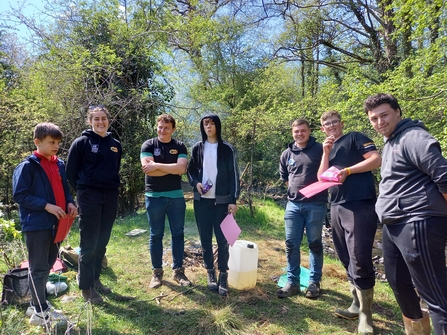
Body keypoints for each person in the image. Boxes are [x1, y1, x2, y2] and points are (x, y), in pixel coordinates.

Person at [365, 93, 447, 335]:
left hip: (418, 221)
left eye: (384, 115)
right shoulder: (391, 140)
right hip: (393, 224)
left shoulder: (413, 137)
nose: (379, 122)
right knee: (399, 283)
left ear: (398, 112)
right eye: (374, 118)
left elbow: (443, 176)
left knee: (438, 298)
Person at [317, 110, 381, 335]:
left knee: (360, 256)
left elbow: (376, 160)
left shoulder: (355, 137)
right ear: (322, 128)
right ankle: (355, 304)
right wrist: (325, 153)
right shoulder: (328, 147)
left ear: (341, 124)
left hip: (359, 204)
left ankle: (366, 316)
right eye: (327, 124)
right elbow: (321, 178)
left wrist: (348, 170)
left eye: (335, 122)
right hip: (336, 205)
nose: (331, 126)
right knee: (345, 255)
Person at [13, 122, 77, 326]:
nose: (56, 146)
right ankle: (40, 313)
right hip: (37, 224)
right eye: (51, 142)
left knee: (48, 265)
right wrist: (46, 205)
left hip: (57, 224)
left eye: (58, 142)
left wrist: (70, 202)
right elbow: (20, 195)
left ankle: (36, 304)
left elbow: (64, 188)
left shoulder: (59, 164)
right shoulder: (27, 166)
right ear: (37, 142)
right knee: (39, 268)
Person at [66, 105, 122, 304]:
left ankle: (95, 279)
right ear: (89, 121)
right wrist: (84, 190)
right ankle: (86, 288)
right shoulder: (82, 142)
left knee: (102, 242)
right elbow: (71, 172)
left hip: (111, 195)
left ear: (108, 120)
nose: (100, 122)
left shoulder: (115, 144)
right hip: (89, 196)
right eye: (96, 119)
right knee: (89, 243)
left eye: (103, 118)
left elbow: (115, 168)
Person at [187, 114, 240, 296]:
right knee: (205, 239)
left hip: (222, 202)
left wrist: (233, 199)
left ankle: (223, 274)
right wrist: (196, 184)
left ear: (217, 125)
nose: (208, 126)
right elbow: (191, 170)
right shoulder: (197, 148)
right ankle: (210, 272)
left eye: (211, 123)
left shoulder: (227, 149)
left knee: (223, 239)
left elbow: (233, 174)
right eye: (205, 124)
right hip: (202, 201)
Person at [277, 119, 327, 299]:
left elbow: (328, 174)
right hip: (293, 205)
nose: (299, 134)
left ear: (309, 131)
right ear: (292, 132)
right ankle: (293, 282)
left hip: (316, 204)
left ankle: (314, 282)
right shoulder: (286, 153)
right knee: (291, 244)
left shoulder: (320, 149)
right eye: (296, 131)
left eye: (303, 131)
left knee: (314, 243)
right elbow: (285, 177)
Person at [140, 114, 191, 288]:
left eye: (167, 127)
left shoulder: (179, 146)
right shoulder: (148, 145)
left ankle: (178, 271)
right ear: (157, 127)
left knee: (178, 233)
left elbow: (181, 168)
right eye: (160, 127)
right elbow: (148, 171)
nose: (163, 130)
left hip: (176, 196)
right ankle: (157, 273)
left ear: (173, 129)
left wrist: (157, 165)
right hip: (154, 197)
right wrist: (170, 168)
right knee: (156, 235)